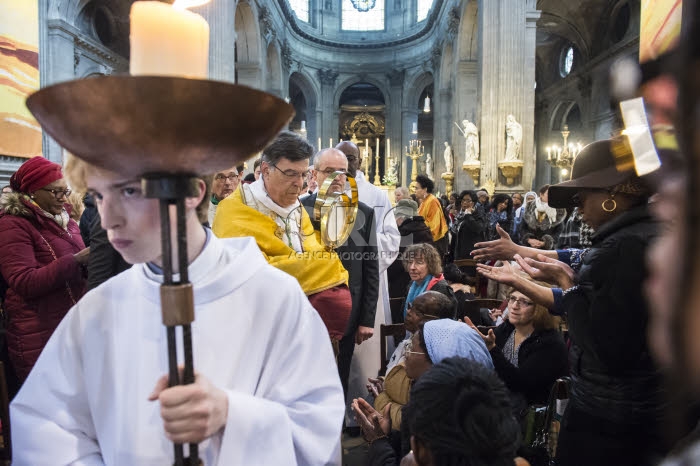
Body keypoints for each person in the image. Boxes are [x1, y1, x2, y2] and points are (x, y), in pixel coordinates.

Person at [11, 155, 345, 464]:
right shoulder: (98, 310)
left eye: (128, 192)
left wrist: (231, 415)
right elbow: (46, 428)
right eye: (98, 197)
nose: (108, 219)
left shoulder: (274, 296)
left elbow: (317, 429)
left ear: (192, 194)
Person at [473, 139, 665, 466]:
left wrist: (568, 285)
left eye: (582, 197)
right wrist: (522, 258)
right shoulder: (636, 236)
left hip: (610, 418)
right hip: (632, 409)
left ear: (612, 196)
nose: (578, 209)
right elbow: (577, 260)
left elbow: (606, 349)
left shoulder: (622, 249)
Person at [213, 132, 351, 343]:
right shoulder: (233, 210)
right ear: (266, 170)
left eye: (304, 174)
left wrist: (308, 265)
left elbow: (318, 254)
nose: (300, 183)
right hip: (255, 330)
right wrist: (319, 266)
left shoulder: (296, 208)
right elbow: (249, 276)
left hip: (305, 328)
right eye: (290, 173)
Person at [353, 320, 494, 465]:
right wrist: (388, 435)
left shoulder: (440, 423)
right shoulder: (457, 404)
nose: (405, 355)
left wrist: (378, 441)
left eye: (410, 347)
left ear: (436, 360)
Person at [0, 156, 88, 383]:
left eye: (65, 191)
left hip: (68, 326)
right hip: (38, 333)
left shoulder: (65, 220)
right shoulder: (13, 223)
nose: (62, 198)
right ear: (32, 192)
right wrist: (77, 260)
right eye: (55, 192)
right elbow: (24, 281)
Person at [301, 148, 379, 403]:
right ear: (314, 174)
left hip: (349, 310)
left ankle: (336, 437)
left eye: (342, 172)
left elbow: (370, 268)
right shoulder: (298, 210)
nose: (336, 177)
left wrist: (367, 319)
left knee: (339, 376)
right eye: (329, 171)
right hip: (308, 308)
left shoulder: (364, 212)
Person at [336, 139, 401, 431]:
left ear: (360, 161)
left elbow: (391, 238)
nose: (348, 163)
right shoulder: (323, 194)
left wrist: (363, 266)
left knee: (364, 352)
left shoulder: (376, 195)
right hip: (330, 286)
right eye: (343, 158)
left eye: (352, 158)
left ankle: (363, 413)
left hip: (366, 286)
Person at [465, 289, 568, 410]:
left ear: (540, 308)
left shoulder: (550, 342)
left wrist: (492, 349)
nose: (514, 306)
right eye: (512, 299)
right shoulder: (508, 328)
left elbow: (520, 384)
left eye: (524, 302)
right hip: (500, 402)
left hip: (529, 413)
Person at [370, 291, 456, 429]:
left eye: (418, 311)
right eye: (410, 306)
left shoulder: (430, 357)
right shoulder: (408, 341)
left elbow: (408, 414)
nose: (408, 312)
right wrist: (383, 380)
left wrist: (381, 397)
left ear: (436, 320)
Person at [387, 199, 432, 324]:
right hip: (425, 281)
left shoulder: (402, 234)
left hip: (401, 283)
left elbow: (396, 264)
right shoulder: (425, 229)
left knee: (402, 318)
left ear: (401, 218)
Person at [401, 243, 456, 318]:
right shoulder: (411, 284)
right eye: (410, 262)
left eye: (419, 262)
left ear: (431, 265)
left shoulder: (441, 289)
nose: (412, 267)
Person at [518, 185, 566, 249]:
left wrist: (546, 242)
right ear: (541, 194)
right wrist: (528, 239)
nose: (551, 196)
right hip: (529, 246)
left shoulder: (558, 210)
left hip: (547, 249)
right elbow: (522, 227)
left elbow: (560, 230)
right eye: (548, 193)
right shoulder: (530, 207)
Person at [414, 174, 448, 258]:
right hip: (426, 240)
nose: (415, 190)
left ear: (425, 189)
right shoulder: (424, 201)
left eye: (417, 188)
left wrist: (416, 225)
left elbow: (434, 225)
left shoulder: (432, 201)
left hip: (433, 243)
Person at [450, 190, 486, 261]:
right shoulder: (460, 215)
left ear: (473, 203)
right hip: (458, 253)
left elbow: (477, 229)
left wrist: (468, 215)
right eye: (463, 200)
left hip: (471, 254)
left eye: (468, 200)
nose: (464, 203)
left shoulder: (478, 215)